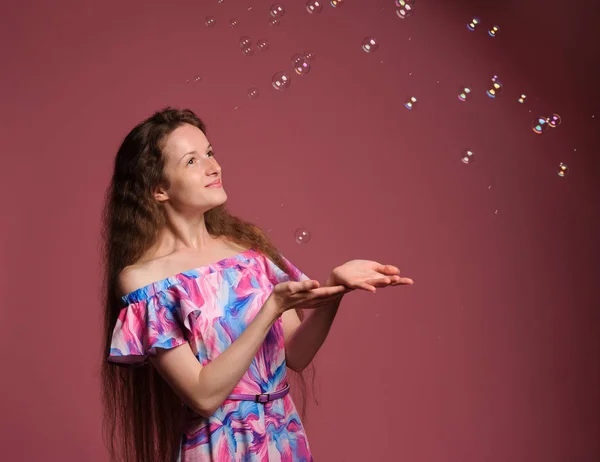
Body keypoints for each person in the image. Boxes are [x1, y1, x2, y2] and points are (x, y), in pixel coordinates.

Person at [100, 107, 413, 462]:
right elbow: (202, 396)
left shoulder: (247, 250)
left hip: (283, 436)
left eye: (210, 153)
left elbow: (295, 354)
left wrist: (336, 290)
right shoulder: (146, 281)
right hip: (219, 445)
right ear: (158, 190)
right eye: (191, 161)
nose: (213, 167)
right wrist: (270, 310)